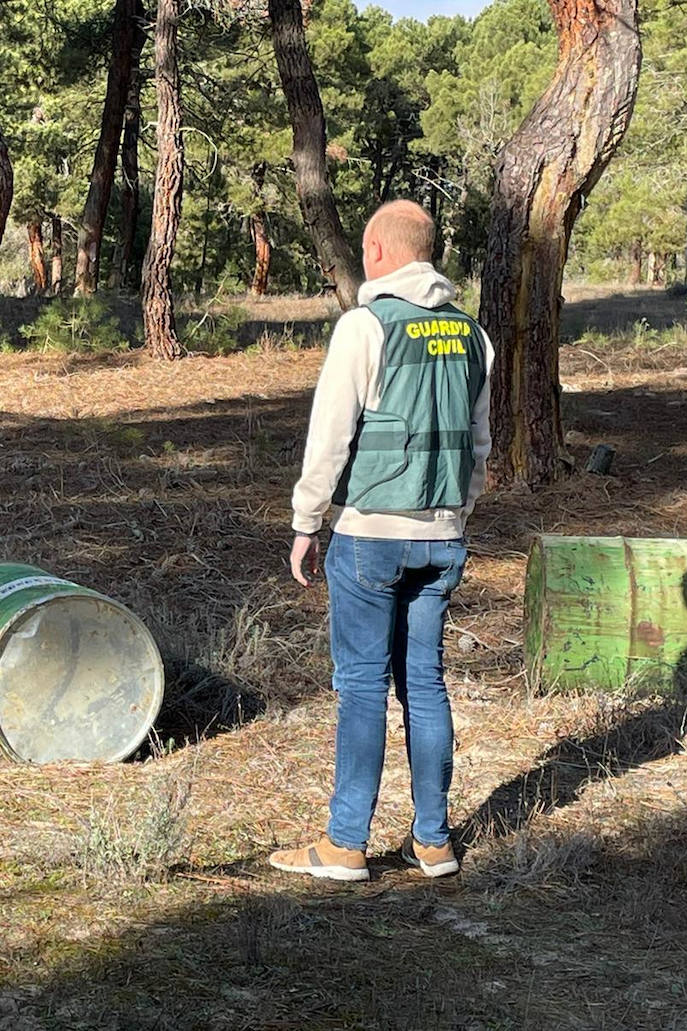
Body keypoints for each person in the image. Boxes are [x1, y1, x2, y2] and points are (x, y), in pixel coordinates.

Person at [268, 200, 494, 882]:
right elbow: (481, 444)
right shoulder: (474, 336)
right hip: (443, 535)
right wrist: (458, 514)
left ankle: (344, 843)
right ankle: (433, 841)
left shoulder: (364, 328)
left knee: (362, 685)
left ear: (376, 252)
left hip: (370, 535)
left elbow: (330, 436)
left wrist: (307, 521)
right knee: (424, 683)